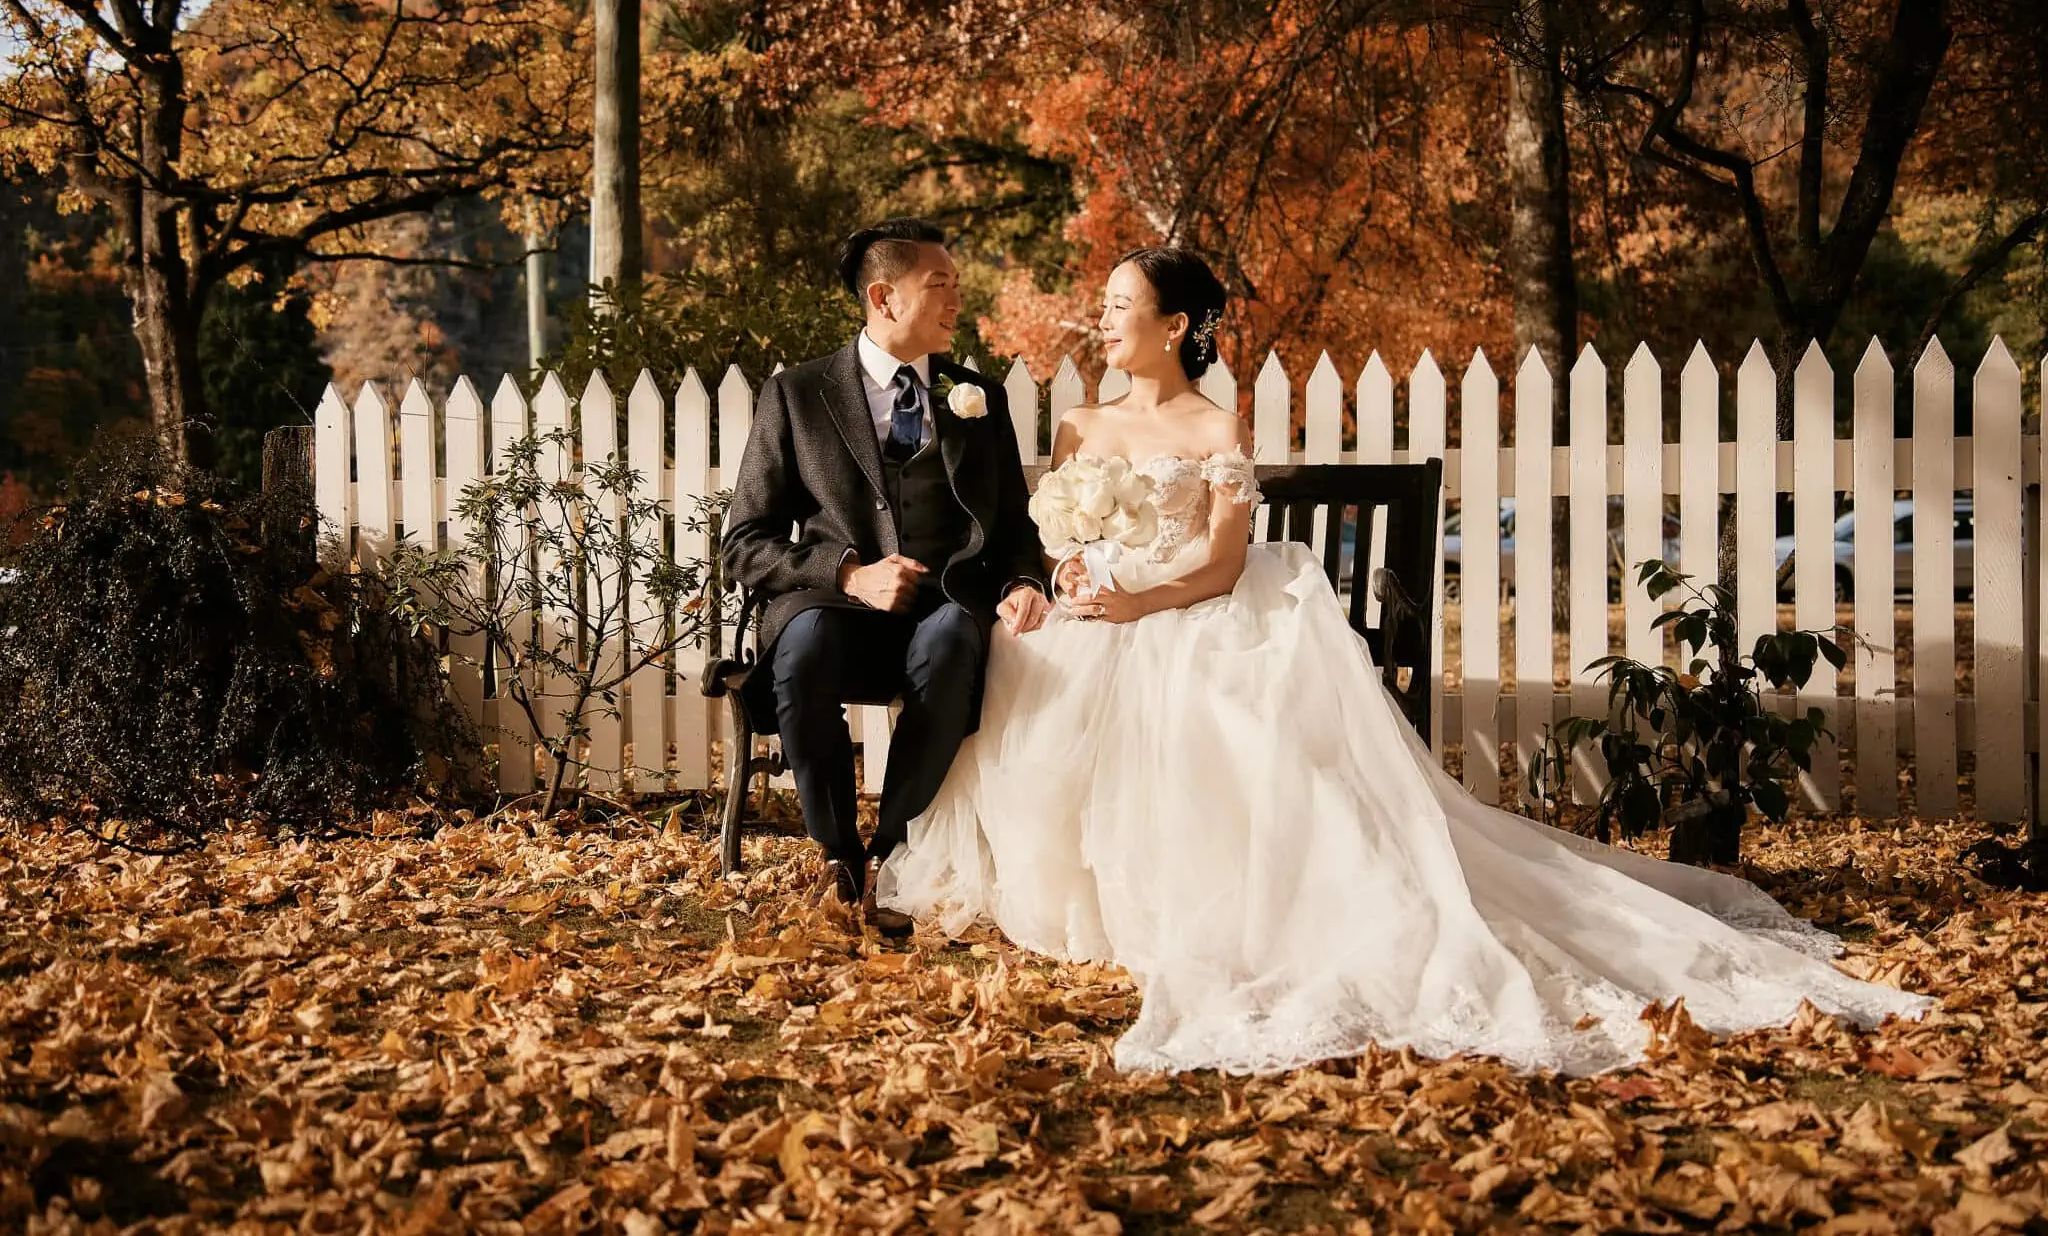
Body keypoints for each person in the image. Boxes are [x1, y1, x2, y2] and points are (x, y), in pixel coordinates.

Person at [876, 244, 1933, 1076]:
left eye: (1119, 305)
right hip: (1101, 612)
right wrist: (1068, 579)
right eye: (1102, 303)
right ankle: (1079, 899)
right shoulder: (1076, 423)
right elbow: (1057, 538)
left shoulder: (1211, 422)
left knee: (1211, 698)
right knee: (1032, 671)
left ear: (1176, 325)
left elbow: (1215, 563)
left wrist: (1137, 596)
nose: (1101, 319)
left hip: (1184, 605)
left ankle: (1236, 901)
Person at [721, 218, 1050, 936]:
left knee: (956, 640)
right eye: (940, 285)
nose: (957, 300)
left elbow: (1018, 525)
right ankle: (840, 855)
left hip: (945, 608)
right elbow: (743, 543)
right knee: (803, 651)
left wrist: (1027, 579)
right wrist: (848, 572)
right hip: (835, 612)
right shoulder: (799, 396)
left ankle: (895, 845)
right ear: (883, 296)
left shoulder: (979, 399)